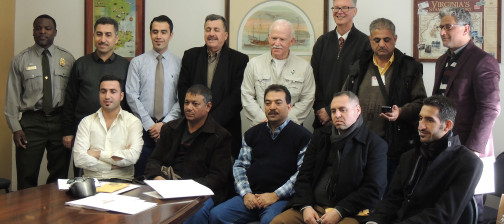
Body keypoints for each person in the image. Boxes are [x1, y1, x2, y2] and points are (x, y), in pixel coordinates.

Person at [271, 91, 387, 224]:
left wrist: (339, 211)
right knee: (278, 222)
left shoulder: (376, 144)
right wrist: (305, 206)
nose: (337, 115)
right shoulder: (321, 136)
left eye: (343, 110)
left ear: (357, 110)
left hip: (351, 211)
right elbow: (304, 176)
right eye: (333, 111)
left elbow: (374, 189)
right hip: (314, 206)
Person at [365, 95, 483, 223]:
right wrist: (374, 221)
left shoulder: (468, 163)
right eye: (420, 118)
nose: (421, 126)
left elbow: (443, 215)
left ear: (447, 125)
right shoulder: (409, 156)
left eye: (429, 120)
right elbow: (392, 200)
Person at [433, 7, 500, 219]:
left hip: (470, 148)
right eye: (441, 27)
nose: (443, 32)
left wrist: (473, 150)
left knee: (471, 208)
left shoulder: (482, 60)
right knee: (446, 205)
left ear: (466, 29)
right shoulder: (442, 60)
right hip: (444, 145)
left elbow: (490, 108)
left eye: (448, 27)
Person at [210, 84, 312, 224]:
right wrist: (246, 194)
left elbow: (302, 174)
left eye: (278, 102)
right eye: (268, 103)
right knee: (216, 215)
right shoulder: (252, 134)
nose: (272, 107)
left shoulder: (303, 137)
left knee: (270, 221)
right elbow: (240, 166)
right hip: (251, 196)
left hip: (281, 199)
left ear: (289, 107)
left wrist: (275, 195)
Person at [344, 18, 426, 187]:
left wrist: (401, 112)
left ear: (395, 39)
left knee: (389, 191)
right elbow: (344, 98)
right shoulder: (359, 66)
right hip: (360, 142)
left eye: (387, 39)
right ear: (370, 40)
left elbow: (421, 102)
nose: (382, 44)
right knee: (362, 191)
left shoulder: (409, 68)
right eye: (377, 40)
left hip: (394, 145)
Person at [5, 14, 75, 190]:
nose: (42, 32)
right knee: (26, 174)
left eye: (47, 28)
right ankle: (26, 215)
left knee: (59, 177)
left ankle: (55, 216)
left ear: (55, 32)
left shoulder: (68, 59)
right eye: (38, 28)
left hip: (60, 122)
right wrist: (16, 128)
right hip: (31, 123)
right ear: (33, 31)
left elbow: (73, 96)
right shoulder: (20, 60)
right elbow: (12, 97)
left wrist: (70, 127)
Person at [145, 84, 232, 223]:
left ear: (208, 106)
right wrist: (158, 179)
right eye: (186, 102)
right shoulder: (170, 128)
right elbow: (153, 161)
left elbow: (218, 177)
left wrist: (184, 188)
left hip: (201, 191)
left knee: (193, 214)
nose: (189, 107)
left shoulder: (220, 136)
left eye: (195, 104)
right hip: (167, 186)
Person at [177, 14, 248, 158]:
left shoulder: (239, 60)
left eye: (216, 29)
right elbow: (183, 89)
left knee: (222, 175)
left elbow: (237, 97)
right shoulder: (190, 56)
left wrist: (209, 122)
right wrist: (197, 118)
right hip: (192, 128)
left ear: (225, 35)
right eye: (208, 29)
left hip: (225, 129)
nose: (212, 34)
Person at [62, 17, 130, 157]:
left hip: (117, 132)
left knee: (114, 172)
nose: (103, 39)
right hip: (84, 132)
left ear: (116, 38)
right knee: (84, 173)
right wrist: (68, 131)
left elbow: (129, 101)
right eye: (99, 34)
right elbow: (70, 99)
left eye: (108, 35)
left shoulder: (126, 66)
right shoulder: (81, 64)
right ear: (94, 36)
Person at [126, 15, 181, 178]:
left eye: (164, 32)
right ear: (150, 34)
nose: (159, 36)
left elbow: (181, 98)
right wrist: (150, 125)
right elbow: (131, 95)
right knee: (142, 175)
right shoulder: (137, 62)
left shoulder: (180, 63)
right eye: (155, 32)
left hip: (170, 127)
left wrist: (164, 124)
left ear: (171, 35)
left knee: (167, 176)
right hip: (143, 127)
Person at [241, 19, 315, 127]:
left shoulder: (304, 67)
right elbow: (246, 94)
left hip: (292, 128)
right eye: (274, 38)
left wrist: (286, 121)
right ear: (268, 38)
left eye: (282, 39)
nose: (277, 43)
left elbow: (308, 98)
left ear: (292, 41)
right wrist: (263, 119)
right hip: (260, 126)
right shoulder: (253, 64)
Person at [312, 0, 370, 129]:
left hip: (350, 120)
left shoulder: (365, 43)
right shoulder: (322, 42)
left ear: (354, 11)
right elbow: (313, 80)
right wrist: (322, 109)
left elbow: (362, 84)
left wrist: (331, 110)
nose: (339, 12)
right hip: (322, 120)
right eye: (336, 8)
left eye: (345, 8)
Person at [73, 76, 143, 182]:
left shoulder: (133, 122)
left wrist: (97, 154)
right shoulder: (86, 122)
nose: (107, 96)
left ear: (121, 96)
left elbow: (132, 157)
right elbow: (79, 159)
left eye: (113, 91)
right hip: (91, 181)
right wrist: (111, 166)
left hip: (123, 181)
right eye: (103, 91)